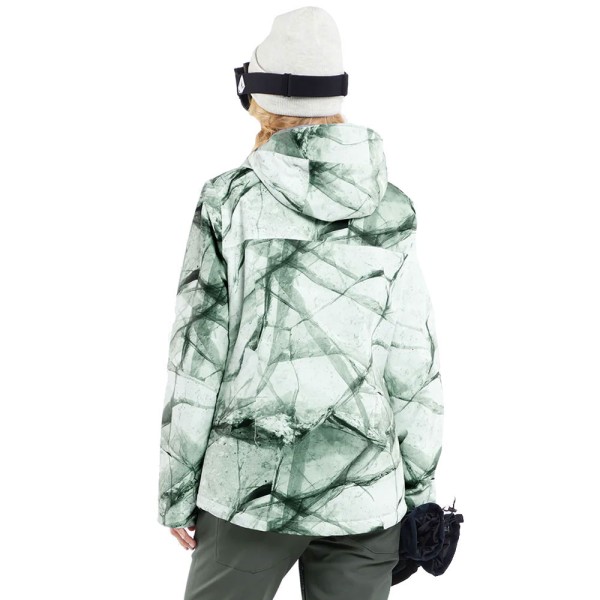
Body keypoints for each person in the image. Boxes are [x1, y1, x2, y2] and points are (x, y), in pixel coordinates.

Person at [157, 6, 444, 600]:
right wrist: (420, 493)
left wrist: (177, 489)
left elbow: (196, 357)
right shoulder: (391, 207)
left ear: (257, 99)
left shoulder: (228, 201)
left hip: (248, 489)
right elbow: (413, 361)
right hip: (365, 490)